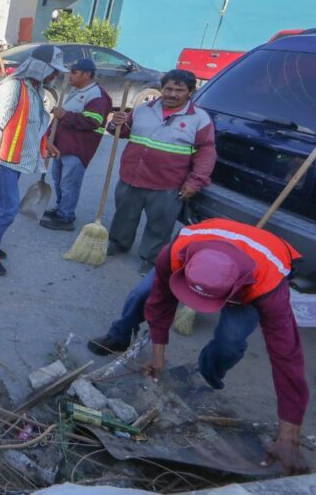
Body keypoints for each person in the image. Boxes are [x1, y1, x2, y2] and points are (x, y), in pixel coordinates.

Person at [87, 219, 309, 474]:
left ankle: (205, 376)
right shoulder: (174, 253)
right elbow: (160, 303)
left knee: (231, 342)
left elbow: (287, 357)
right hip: (210, 246)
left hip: (259, 266)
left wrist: (289, 436)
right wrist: (158, 355)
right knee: (142, 294)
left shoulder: (267, 287)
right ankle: (119, 334)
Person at [107, 69, 216, 273]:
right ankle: (118, 243)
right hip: (132, 177)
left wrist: (195, 181)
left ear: (190, 92)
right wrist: (116, 123)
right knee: (124, 215)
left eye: (179, 90)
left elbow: (206, 153)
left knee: (160, 223)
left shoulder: (199, 119)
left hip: (167, 183)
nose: (172, 94)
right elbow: (121, 132)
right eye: (168, 88)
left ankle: (151, 258)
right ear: (161, 89)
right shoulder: (143, 109)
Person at [0, 44, 65, 276]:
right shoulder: (12, 88)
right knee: (8, 208)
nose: (56, 75)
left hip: (16, 158)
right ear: (41, 67)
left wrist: (47, 144)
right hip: (3, 159)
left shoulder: (35, 89)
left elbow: (33, 124)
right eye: (53, 70)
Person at [39, 58, 113, 231]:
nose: (70, 75)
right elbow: (59, 117)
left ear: (87, 74)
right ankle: (61, 209)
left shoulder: (97, 95)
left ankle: (66, 217)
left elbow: (93, 121)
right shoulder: (77, 90)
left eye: (74, 72)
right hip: (62, 146)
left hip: (78, 148)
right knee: (58, 180)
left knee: (69, 183)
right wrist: (49, 137)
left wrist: (65, 115)